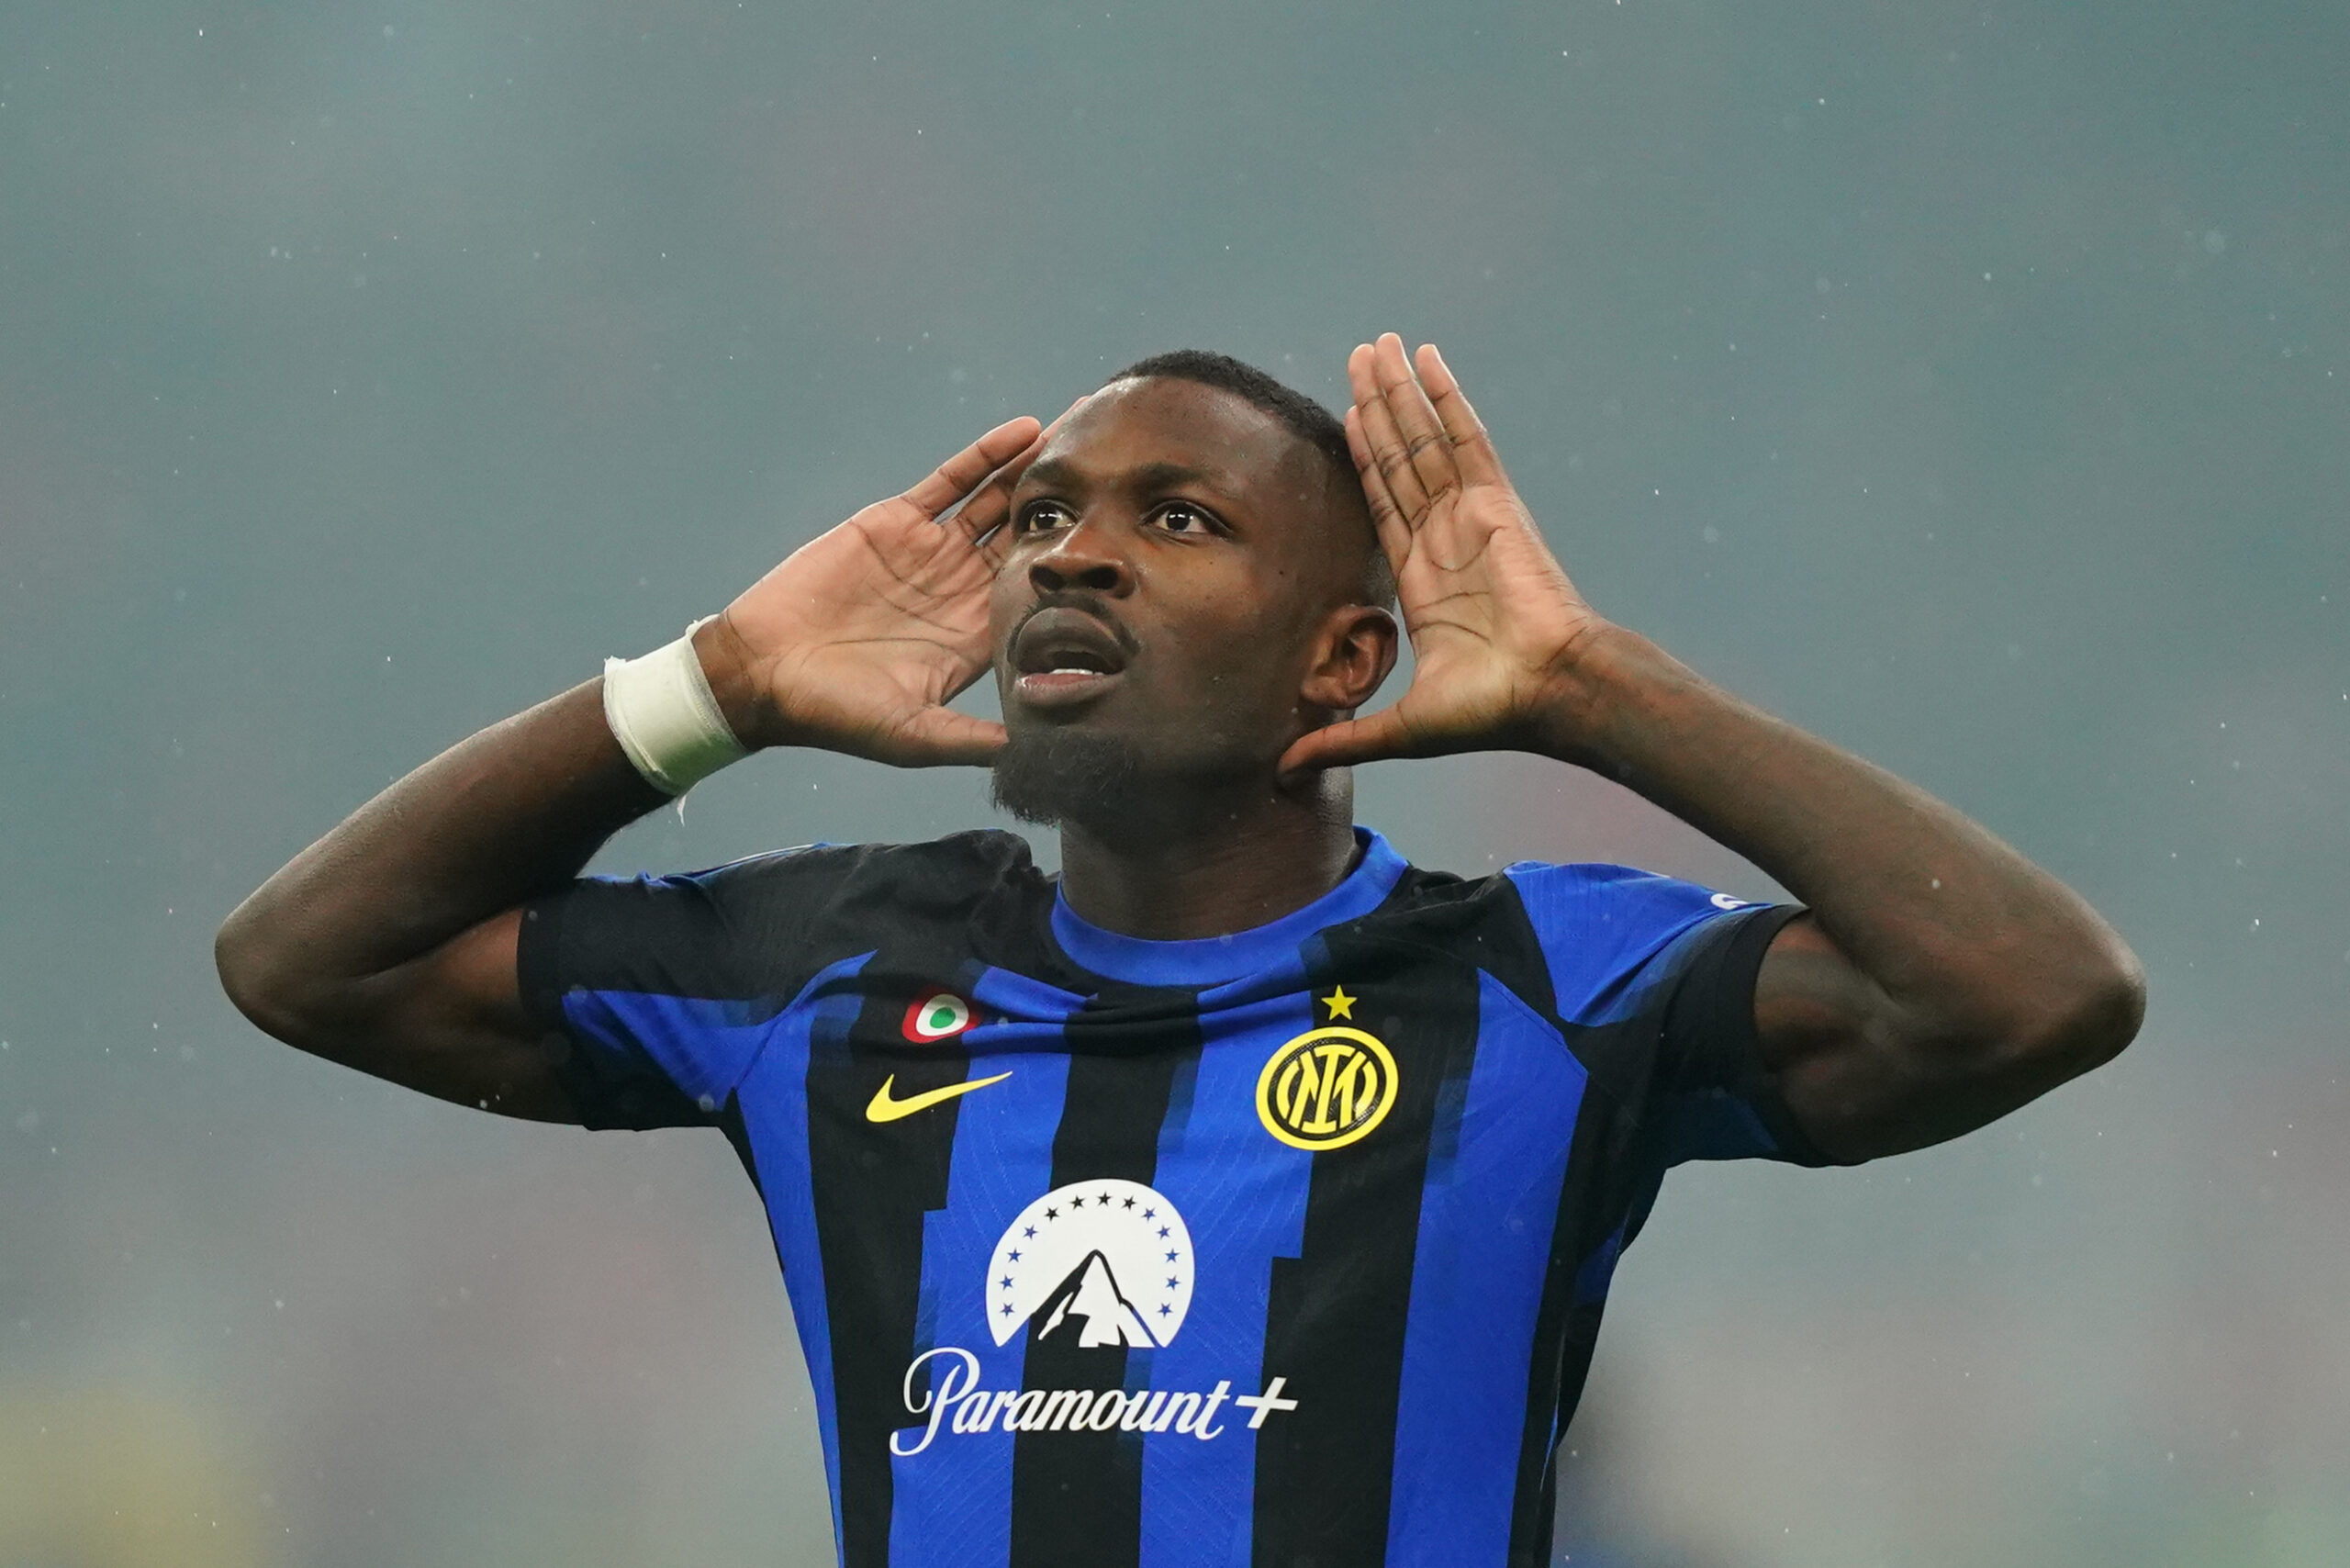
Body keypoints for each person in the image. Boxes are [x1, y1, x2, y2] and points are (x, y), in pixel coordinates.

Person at [216, 336, 2144, 1567]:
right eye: (1041, 514)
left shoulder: (1538, 980)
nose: (1071, 552)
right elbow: (310, 960)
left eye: (1178, 515)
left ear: (1338, 655)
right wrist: (703, 690)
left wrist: (1590, 688)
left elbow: (2031, 991)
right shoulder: (828, 966)